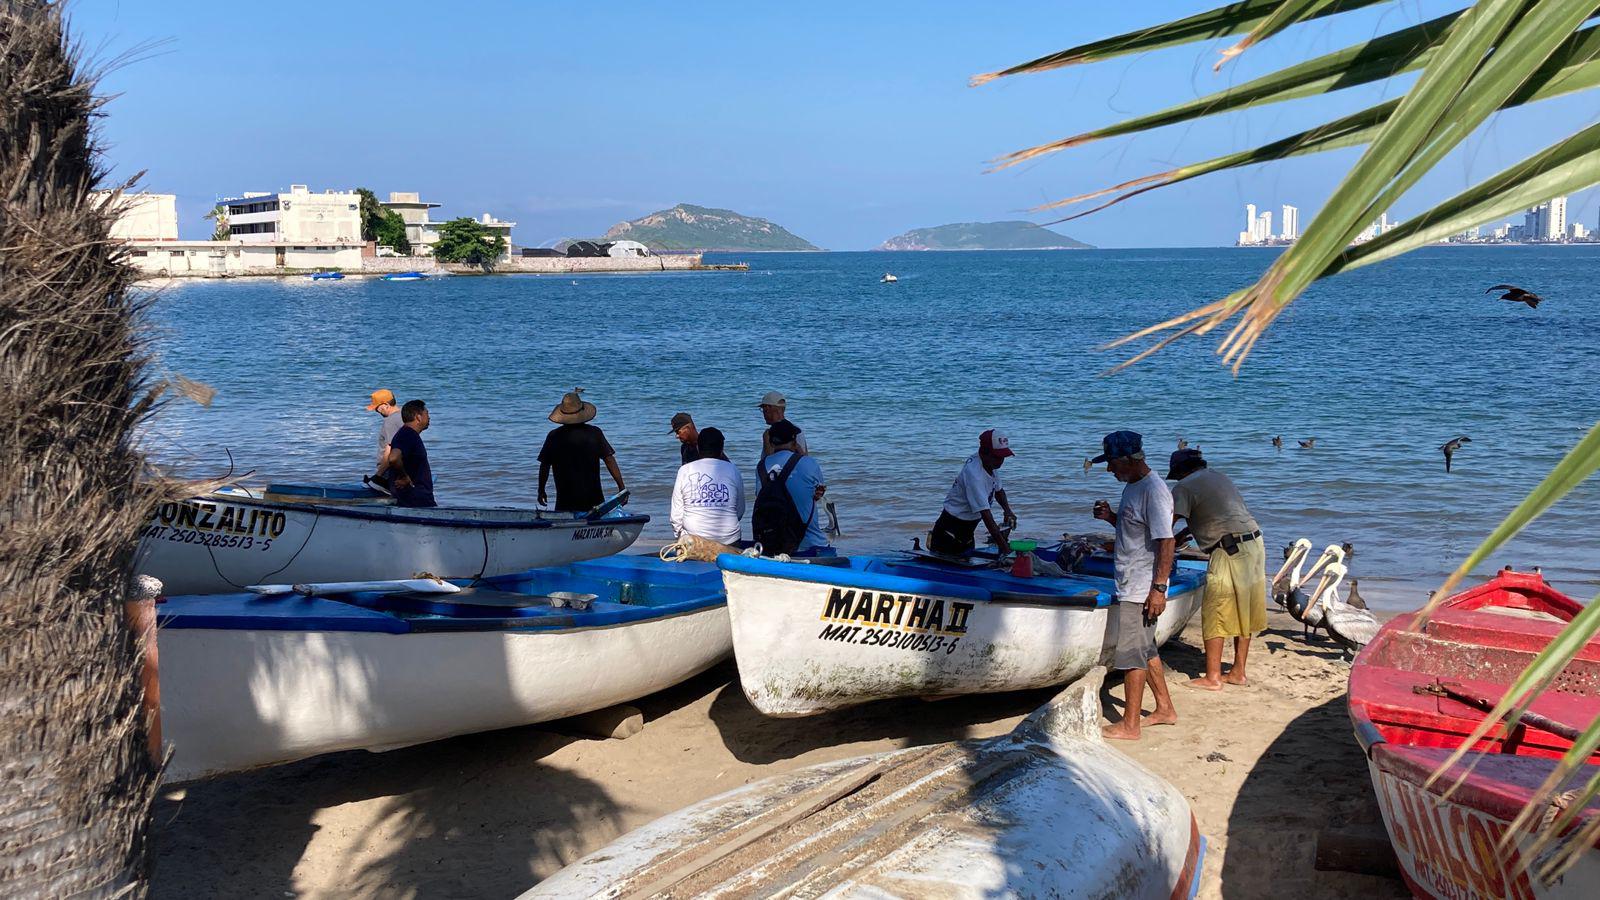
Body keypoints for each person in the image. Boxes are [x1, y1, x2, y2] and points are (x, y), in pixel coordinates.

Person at [1090, 430, 1177, 741]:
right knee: (1146, 649)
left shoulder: (1153, 490)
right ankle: (1165, 709)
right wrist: (1111, 518)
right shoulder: (1133, 487)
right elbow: (1136, 529)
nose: (1109, 470)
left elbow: (1166, 541)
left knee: (1130, 655)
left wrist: (1159, 588)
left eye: (1112, 464)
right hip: (1131, 581)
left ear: (1129, 459)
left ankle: (1130, 725)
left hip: (1141, 587)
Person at [1166, 448, 1266, 691]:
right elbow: (1218, 513)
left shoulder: (1184, 487)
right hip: (1255, 544)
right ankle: (1238, 672)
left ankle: (1212, 677)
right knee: (1246, 610)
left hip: (1228, 550)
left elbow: (1165, 524)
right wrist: (1183, 535)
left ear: (1180, 471)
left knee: (1215, 610)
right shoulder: (1218, 476)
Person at [929, 429, 1018, 556]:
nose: (1001, 462)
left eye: (1003, 457)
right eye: (997, 457)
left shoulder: (990, 464)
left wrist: (1008, 511)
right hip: (948, 534)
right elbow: (986, 516)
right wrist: (1005, 549)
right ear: (984, 453)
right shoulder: (975, 475)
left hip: (968, 534)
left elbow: (998, 490)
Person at [538, 388, 625, 513]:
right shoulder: (594, 433)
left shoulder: (554, 436)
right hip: (593, 499)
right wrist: (621, 487)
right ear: (582, 411)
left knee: (566, 522)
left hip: (565, 502)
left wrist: (541, 490)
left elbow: (544, 466)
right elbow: (609, 460)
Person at [757, 420, 830, 555]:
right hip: (810, 544)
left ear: (771, 443)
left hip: (774, 543)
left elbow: (759, 495)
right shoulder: (808, 463)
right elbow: (819, 493)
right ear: (794, 442)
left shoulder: (761, 467)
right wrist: (801, 454)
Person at [670, 427, 744, 545]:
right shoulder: (733, 469)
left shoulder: (684, 470)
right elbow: (740, 510)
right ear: (722, 449)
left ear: (698, 447)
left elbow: (676, 514)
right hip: (729, 540)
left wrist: (679, 536)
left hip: (693, 540)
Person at [385, 399, 435, 508]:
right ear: (418, 417)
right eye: (427, 413)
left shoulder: (407, 434)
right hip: (416, 499)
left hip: (415, 498)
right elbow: (393, 458)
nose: (429, 417)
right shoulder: (408, 434)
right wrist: (404, 477)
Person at [758, 390, 808, 461]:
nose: (763, 413)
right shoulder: (796, 429)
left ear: (768, 408)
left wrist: (767, 443)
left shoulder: (769, 434)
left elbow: (768, 462)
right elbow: (806, 458)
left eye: (764, 409)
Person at [367, 389, 404, 483]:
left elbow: (390, 450)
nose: (376, 411)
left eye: (377, 408)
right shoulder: (404, 415)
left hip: (389, 472)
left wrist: (378, 476)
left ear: (386, 405)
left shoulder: (390, 421)